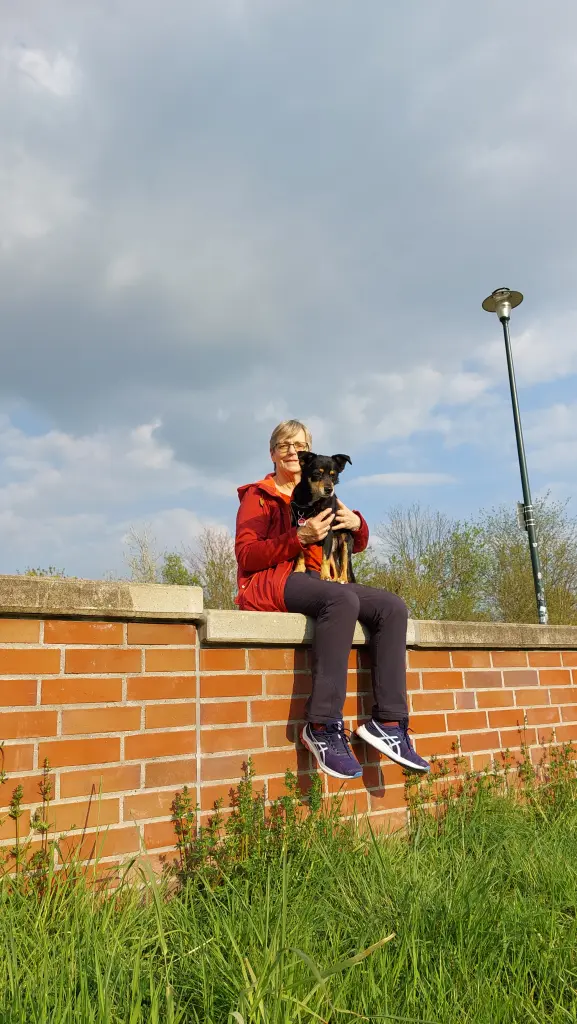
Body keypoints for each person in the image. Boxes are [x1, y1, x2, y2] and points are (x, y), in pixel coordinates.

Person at [235, 419, 429, 781]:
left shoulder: (322, 492)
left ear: (309, 453)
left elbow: (352, 543)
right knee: (341, 600)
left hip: (322, 580)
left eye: (299, 444)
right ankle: (322, 726)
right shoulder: (257, 497)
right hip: (274, 580)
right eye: (284, 445)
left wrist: (359, 524)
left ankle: (389, 721)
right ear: (273, 454)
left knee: (392, 607)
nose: (292, 451)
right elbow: (246, 556)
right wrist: (298, 537)